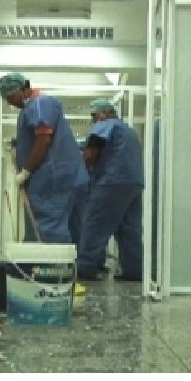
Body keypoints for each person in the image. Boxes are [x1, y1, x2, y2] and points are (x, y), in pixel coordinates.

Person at [0, 73, 88, 243]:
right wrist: (18, 142)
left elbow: (44, 139)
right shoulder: (33, 107)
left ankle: (50, 260)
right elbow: (39, 136)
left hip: (52, 178)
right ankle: (73, 259)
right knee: (70, 226)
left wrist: (26, 171)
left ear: (22, 89)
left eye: (10, 97)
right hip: (66, 177)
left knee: (48, 226)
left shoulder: (39, 104)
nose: (9, 102)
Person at [77, 99, 144, 281]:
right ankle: (134, 272)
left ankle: (86, 269)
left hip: (112, 182)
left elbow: (91, 154)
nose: (93, 120)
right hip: (134, 184)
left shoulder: (105, 125)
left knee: (95, 224)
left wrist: (78, 166)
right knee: (129, 229)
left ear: (103, 113)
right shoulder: (129, 131)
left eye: (93, 115)